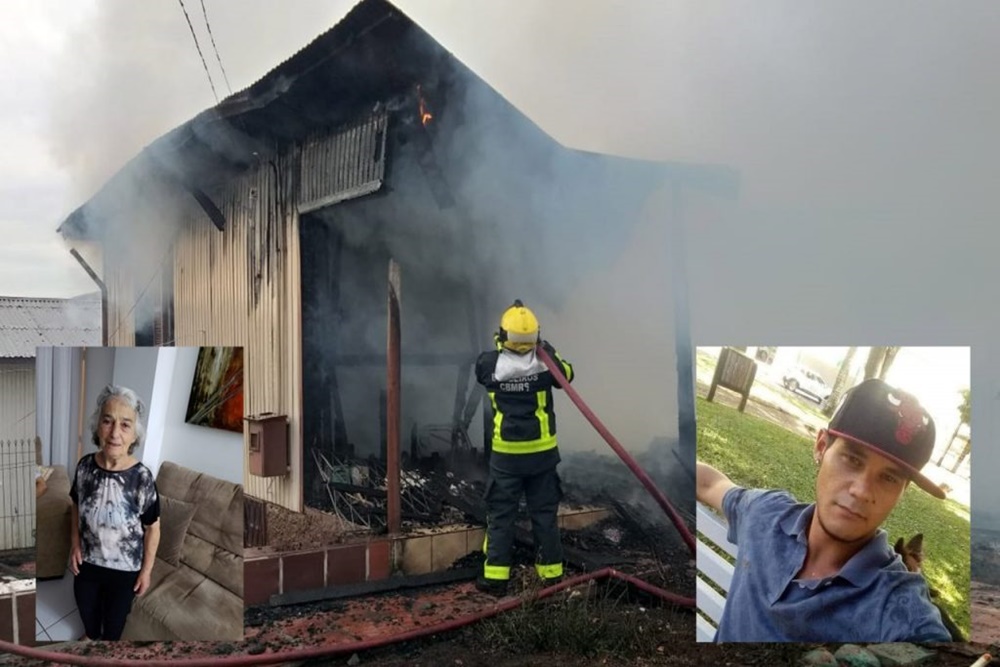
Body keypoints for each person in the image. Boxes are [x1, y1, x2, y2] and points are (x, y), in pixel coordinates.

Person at [697, 378, 953, 642]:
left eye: (889, 478)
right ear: (821, 446)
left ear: (902, 492)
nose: (862, 491)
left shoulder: (897, 608)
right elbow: (709, 483)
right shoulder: (766, 515)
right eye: (852, 459)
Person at [474, 300, 574, 596]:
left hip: (507, 458)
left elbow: (482, 372)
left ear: (503, 336)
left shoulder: (490, 365)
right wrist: (549, 350)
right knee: (543, 513)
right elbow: (567, 375)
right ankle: (551, 575)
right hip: (542, 456)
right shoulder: (546, 364)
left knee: (501, 514)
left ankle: (495, 579)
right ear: (536, 336)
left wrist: (500, 342)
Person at [69, 385, 161, 641]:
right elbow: (75, 504)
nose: (114, 433)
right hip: (88, 562)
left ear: (134, 435)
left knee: (113, 627)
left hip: (125, 570)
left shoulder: (142, 478)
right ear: (97, 426)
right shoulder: (84, 467)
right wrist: (75, 543)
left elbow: (153, 527)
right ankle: (90, 637)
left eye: (125, 425)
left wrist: (146, 571)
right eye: (107, 421)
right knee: (87, 613)